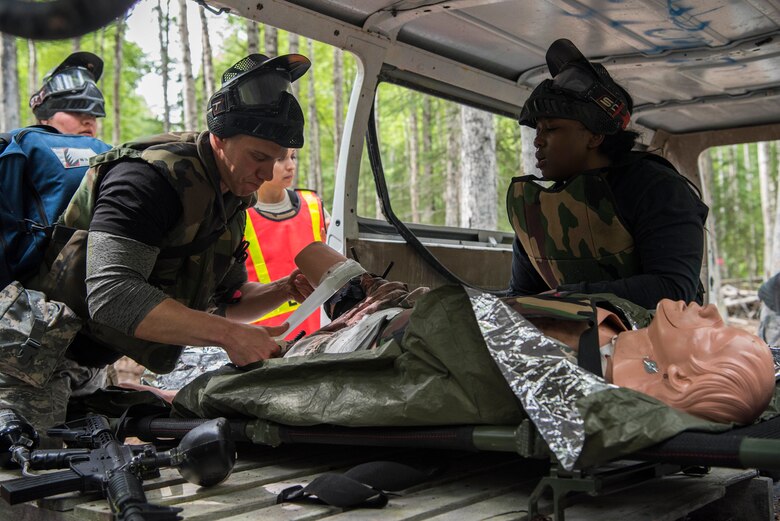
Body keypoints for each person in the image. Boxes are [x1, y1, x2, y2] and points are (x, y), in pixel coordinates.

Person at [3, 53, 314, 440]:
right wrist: (228, 335)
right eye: (258, 156)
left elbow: (224, 302)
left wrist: (283, 289)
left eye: (280, 158)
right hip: (27, 359)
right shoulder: (147, 179)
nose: (268, 173)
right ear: (219, 138)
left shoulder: (230, 200)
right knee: (27, 476)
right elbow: (111, 294)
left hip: (92, 364)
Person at [174, 242, 775, 426]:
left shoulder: (564, 369)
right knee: (313, 259)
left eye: (717, 335)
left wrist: (205, 389)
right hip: (394, 311)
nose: (711, 311)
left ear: (674, 376)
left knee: (313, 257)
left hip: (372, 336)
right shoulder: (619, 332)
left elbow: (380, 385)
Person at [507, 39, 709, 309]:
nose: (538, 141)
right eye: (537, 130)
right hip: (576, 345)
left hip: (658, 344)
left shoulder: (656, 189)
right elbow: (523, 296)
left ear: (595, 136)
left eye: (552, 129)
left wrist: (565, 298)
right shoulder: (537, 205)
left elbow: (672, 290)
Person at [244, 147, 329, 339]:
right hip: (264, 344)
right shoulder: (239, 215)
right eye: (280, 159)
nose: (291, 166)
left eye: (293, 157)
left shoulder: (314, 205)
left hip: (318, 337)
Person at [29, 51, 106, 138]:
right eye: (76, 112)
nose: (88, 121)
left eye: (93, 115)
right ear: (45, 119)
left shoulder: (107, 150)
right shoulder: (24, 149)